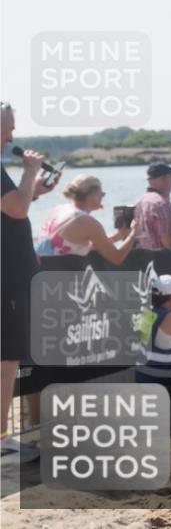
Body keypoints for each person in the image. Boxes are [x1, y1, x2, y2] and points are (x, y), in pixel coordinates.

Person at [1, 103, 60, 462]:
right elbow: (16, 210)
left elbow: (14, 206)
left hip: (12, 276)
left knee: (7, 360)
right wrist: (29, 171)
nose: (12, 137)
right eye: (8, 128)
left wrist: (34, 189)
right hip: (7, 279)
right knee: (7, 361)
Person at [35, 175, 138, 264]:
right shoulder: (87, 222)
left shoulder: (59, 209)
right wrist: (133, 233)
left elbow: (74, 244)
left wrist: (117, 237)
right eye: (101, 194)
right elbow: (116, 258)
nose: (102, 198)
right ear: (93, 194)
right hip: (56, 279)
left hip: (38, 272)